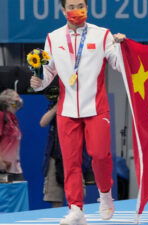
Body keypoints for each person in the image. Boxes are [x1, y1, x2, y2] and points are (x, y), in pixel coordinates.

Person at [30, 0, 126, 224]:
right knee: (70, 161)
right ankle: (75, 209)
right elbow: (48, 73)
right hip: (67, 109)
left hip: (96, 107)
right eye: (72, 6)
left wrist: (121, 46)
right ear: (64, 11)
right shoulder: (53, 38)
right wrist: (38, 82)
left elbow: (118, 64)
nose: (78, 10)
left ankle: (105, 195)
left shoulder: (102, 35)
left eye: (81, 5)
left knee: (100, 154)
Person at [0, 89, 24, 181]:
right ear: (7, 101)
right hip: (3, 168)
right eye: (16, 96)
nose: (19, 100)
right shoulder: (1, 116)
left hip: (16, 169)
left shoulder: (13, 118)